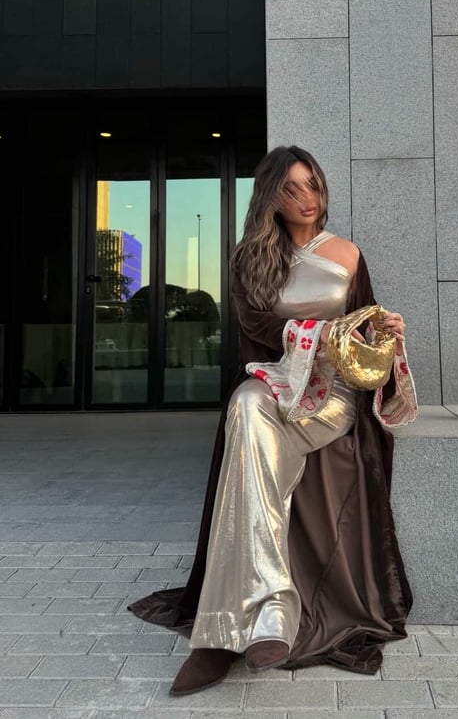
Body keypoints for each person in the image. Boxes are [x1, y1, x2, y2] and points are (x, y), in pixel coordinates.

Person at [128, 144, 418, 695]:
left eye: (312, 184)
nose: (306, 197)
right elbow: (257, 332)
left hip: (330, 399)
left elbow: (362, 333)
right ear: (271, 198)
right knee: (245, 407)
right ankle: (271, 611)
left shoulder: (348, 254)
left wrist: (383, 332)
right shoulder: (251, 260)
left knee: (248, 431)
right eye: (290, 188)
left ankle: (219, 637)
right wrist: (320, 334)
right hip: (276, 384)